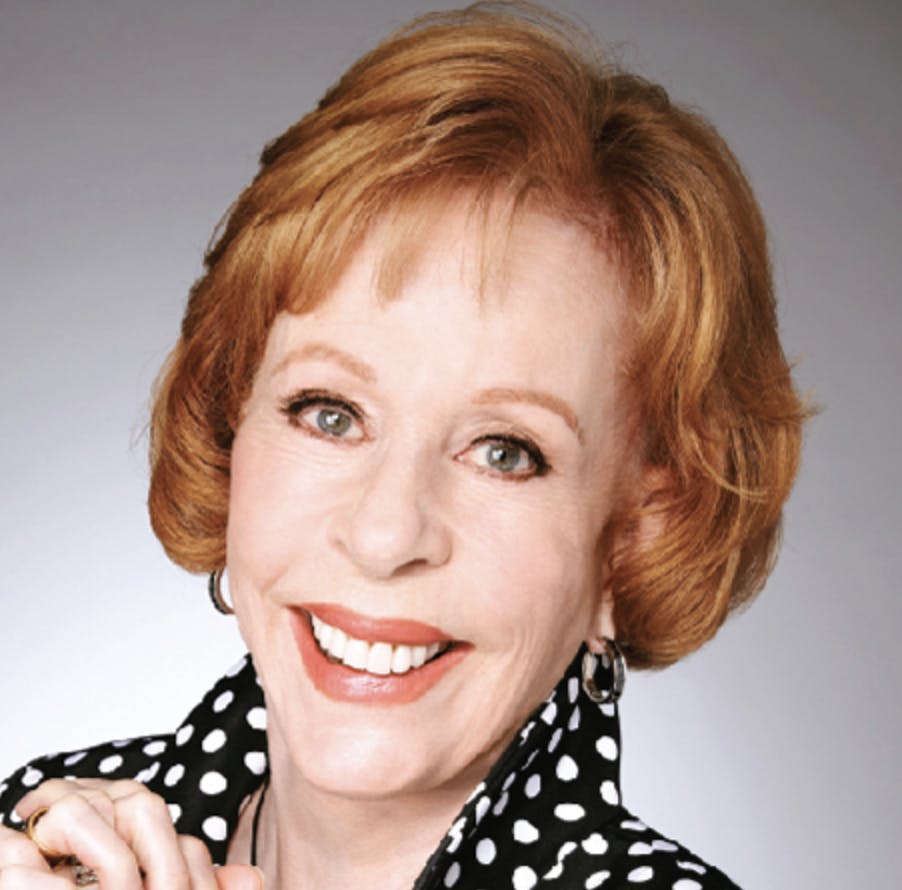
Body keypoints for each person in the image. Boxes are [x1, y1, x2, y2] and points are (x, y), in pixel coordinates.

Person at [0, 2, 806, 888]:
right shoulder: (42, 833)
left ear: (632, 542)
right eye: (330, 413)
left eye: (505, 451)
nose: (385, 536)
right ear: (233, 429)